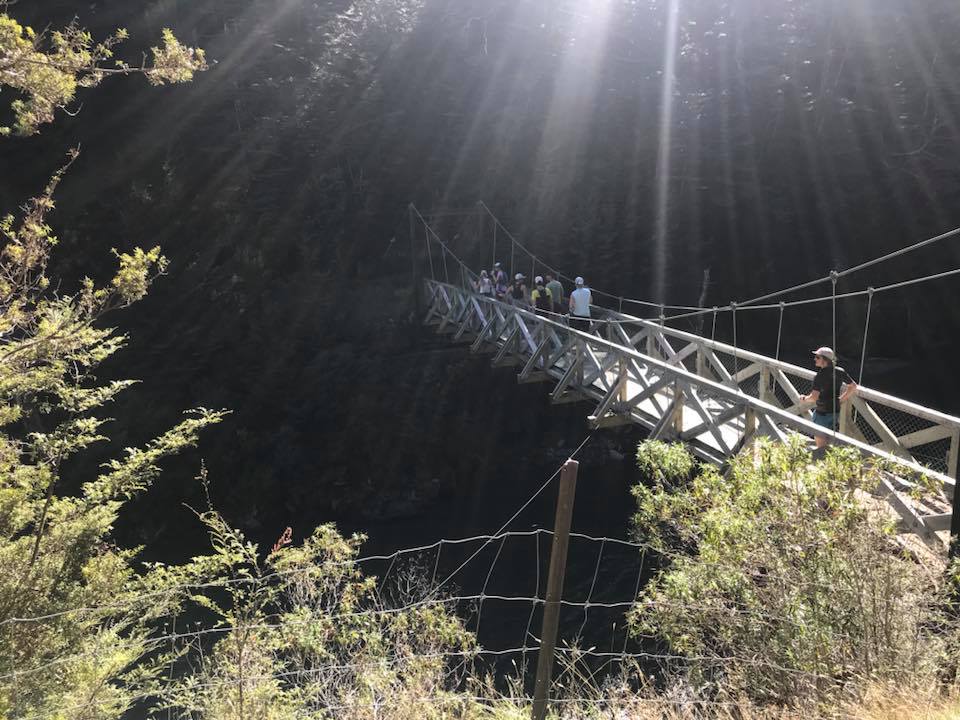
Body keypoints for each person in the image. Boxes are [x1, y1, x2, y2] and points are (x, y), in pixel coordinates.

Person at [800, 346, 858, 450]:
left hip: (822, 412)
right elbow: (853, 386)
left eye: (817, 357)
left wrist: (804, 399)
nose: (815, 359)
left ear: (824, 360)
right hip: (835, 411)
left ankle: (823, 460)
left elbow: (813, 398)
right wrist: (841, 399)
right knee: (828, 437)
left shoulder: (820, 376)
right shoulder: (840, 371)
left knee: (821, 443)